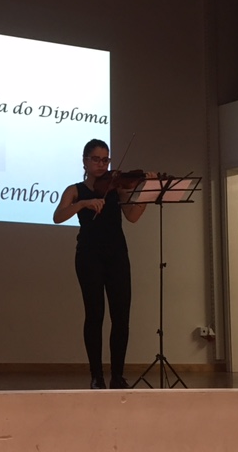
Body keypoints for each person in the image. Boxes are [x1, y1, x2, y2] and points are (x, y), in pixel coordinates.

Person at [53, 138, 155, 389]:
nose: (102, 164)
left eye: (105, 160)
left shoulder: (116, 188)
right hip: (89, 256)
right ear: (85, 161)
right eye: (96, 159)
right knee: (95, 315)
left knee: (121, 317)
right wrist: (83, 203)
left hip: (117, 255)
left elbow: (132, 216)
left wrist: (147, 193)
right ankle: (96, 375)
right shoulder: (75, 190)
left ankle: (117, 376)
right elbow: (58, 216)